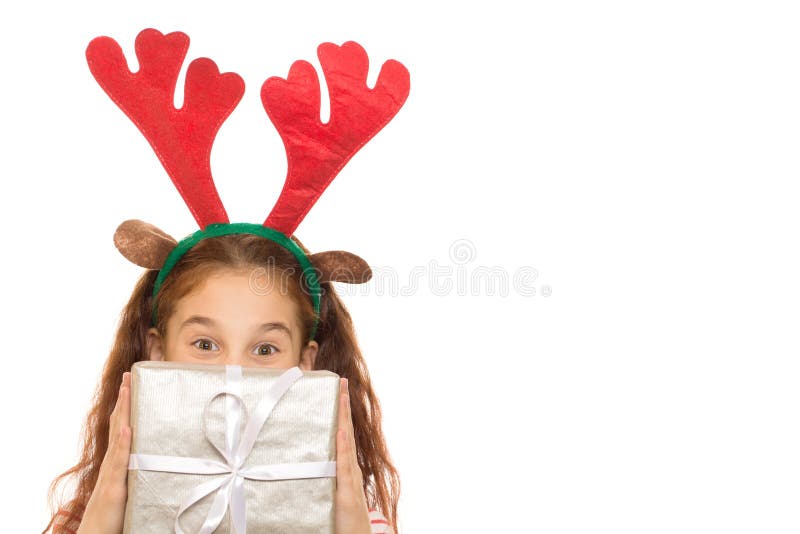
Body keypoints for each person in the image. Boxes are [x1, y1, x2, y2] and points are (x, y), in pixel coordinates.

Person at [43, 233, 399, 533]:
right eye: (205, 345)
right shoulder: (83, 521)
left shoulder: (362, 523)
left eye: (264, 349)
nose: (234, 372)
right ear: (157, 354)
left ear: (305, 364)